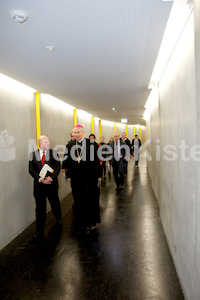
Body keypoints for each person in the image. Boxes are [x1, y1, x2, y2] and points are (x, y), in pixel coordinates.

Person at [62, 125, 102, 234]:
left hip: (90, 176)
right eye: (74, 133)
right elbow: (67, 160)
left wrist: (99, 174)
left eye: (78, 132)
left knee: (89, 198)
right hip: (76, 177)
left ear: (83, 132)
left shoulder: (92, 143)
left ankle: (90, 223)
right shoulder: (70, 145)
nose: (76, 134)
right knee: (78, 199)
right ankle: (81, 223)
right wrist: (67, 173)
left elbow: (97, 160)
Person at [29, 135, 62, 242]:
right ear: (40, 143)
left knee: (54, 202)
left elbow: (58, 167)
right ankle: (39, 229)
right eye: (46, 142)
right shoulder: (32, 155)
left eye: (48, 142)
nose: (48, 144)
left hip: (51, 184)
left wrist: (51, 178)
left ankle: (58, 218)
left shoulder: (54, 153)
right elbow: (31, 169)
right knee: (40, 207)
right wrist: (39, 179)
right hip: (39, 186)